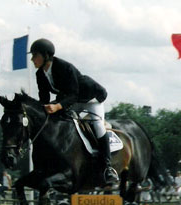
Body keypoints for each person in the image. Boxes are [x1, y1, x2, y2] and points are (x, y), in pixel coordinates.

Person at [29, 38, 117, 185]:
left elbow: (73, 94)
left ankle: (107, 167)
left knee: (97, 125)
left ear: (45, 55)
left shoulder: (64, 67)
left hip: (90, 98)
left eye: (35, 55)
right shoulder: (40, 74)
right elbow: (43, 98)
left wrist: (57, 106)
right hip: (70, 100)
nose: (32, 59)